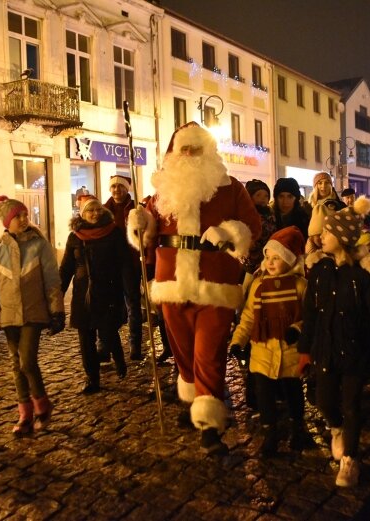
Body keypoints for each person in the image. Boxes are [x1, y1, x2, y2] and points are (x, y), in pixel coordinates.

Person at [128, 122, 261, 455]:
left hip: (214, 285)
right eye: (183, 150)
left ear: (209, 152)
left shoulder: (231, 188)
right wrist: (140, 225)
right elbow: (146, 235)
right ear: (173, 154)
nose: (188, 156)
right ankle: (194, 402)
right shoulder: (161, 194)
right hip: (171, 284)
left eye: (195, 149)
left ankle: (210, 425)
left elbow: (253, 226)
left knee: (208, 354)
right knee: (183, 354)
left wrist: (227, 232)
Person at [298, 196, 370, 488]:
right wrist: (305, 350)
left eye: (327, 233)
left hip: (356, 349)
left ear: (342, 238)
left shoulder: (366, 274)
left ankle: (350, 460)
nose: (321, 237)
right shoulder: (320, 269)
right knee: (324, 401)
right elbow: (311, 313)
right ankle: (336, 427)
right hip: (326, 349)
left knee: (352, 404)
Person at [0, 196, 65, 435]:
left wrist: (57, 310)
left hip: (33, 313)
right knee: (16, 365)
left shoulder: (39, 245)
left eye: (25, 214)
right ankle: (25, 414)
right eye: (18, 216)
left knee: (26, 360)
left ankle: (42, 405)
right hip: (8, 316)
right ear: (7, 221)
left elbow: (51, 281)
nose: (24, 219)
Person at [230, 226, 313, 455]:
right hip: (262, 352)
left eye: (277, 258)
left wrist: (297, 329)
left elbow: (310, 317)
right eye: (268, 257)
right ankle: (270, 434)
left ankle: (298, 428)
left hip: (290, 353)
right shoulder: (258, 285)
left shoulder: (300, 286)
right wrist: (237, 341)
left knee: (293, 392)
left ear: (290, 260)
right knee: (264, 396)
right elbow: (248, 317)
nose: (270, 262)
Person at [60, 195, 133, 394]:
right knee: (86, 339)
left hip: (107, 291)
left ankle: (119, 360)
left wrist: (129, 288)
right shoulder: (75, 236)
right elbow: (67, 267)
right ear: (82, 214)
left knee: (108, 332)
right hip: (83, 294)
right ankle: (92, 379)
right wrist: (57, 292)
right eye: (90, 211)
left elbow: (124, 263)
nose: (95, 214)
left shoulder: (113, 233)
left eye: (98, 210)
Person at [103, 174, 143, 361]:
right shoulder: (104, 211)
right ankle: (105, 345)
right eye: (113, 187)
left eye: (120, 187)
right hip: (110, 264)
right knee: (109, 305)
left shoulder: (136, 209)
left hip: (131, 263)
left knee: (132, 304)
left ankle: (135, 344)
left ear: (127, 189)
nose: (117, 190)